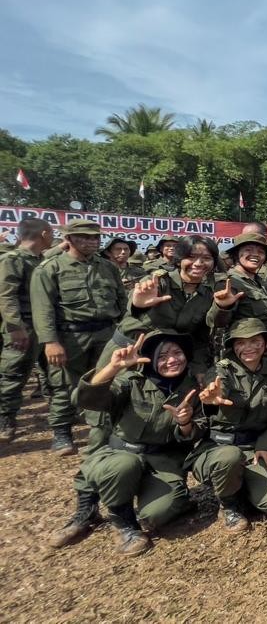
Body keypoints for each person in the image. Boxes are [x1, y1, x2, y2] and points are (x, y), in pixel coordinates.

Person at [49, 331, 204, 556]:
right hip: (120, 454)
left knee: (158, 515)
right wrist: (112, 368)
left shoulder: (191, 388)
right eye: (162, 356)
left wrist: (185, 422)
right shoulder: (130, 382)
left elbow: (193, 435)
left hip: (162, 462)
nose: (172, 360)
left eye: (177, 353)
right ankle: (124, 523)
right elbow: (86, 399)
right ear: (149, 359)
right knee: (124, 465)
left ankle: (153, 500)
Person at [31, 219, 127, 454]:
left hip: (106, 334)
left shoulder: (108, 267)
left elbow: (121, 302)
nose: (91, 241)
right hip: (69, 336)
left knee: (107, 382)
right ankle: (62, 433)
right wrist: (50, 342)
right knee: (64, 386)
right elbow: (43, 309)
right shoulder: (50, 269)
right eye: (83, 237)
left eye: (95, 237)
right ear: (68, 239)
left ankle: (104, 430)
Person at [189, 319, 267, 533]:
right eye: (240, 343)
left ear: (265, 342)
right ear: (233, 346)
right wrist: (212, 397)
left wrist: (266, 444)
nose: (248, 348)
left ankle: (241, 486)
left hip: (253, 447)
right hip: (218, 449)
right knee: (229, 458)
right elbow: (217, 387)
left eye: (255, 340)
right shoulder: (221, 370)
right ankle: (228, 505)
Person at [102, 235, 218, 379]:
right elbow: (136, 301)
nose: (199, 263)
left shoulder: (207, 295)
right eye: (191, 257)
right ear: (180, 258)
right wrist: (138, 304)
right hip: (125, 354)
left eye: (206, 258)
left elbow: (200, 340)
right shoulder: (159, 282)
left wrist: (199, 369)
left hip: (166, 362)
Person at [0, 217, 53, 442]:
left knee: (52, 373)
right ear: (43, 234)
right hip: (23, 327)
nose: (52, 237)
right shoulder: (12, 259)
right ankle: (5, 419)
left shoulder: (40, 259)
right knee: (13, 374)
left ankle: (58, 415)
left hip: (45, 326)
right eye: (51, 233)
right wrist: (15, 328)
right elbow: (6, 296)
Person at [207, 233, 267, 358]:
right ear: (236, 254)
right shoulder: (229, 283)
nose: (256, 254)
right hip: (248, 355)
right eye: (248, 250)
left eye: (261, 251)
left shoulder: (262, 283)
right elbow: (215, 323)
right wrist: (222, 307)